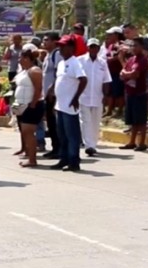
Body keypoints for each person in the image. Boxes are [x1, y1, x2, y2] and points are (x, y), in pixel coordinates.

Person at [51, 35, 87, 171]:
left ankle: (74, 161)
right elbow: (59, 80)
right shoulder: (61, 63)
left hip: (70, 105)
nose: (60, 49)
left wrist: (76, 97)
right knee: (62, 134)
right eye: (59, 46)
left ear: (71, 48)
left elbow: (83, 80)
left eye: (63, 46)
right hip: (60, 105)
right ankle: (63, 159)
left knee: (72, 135)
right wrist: (51, 90)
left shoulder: (75, 62)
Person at [78, 38, 111, 156]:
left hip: (98, 96)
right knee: (85, 121)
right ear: (87, 47)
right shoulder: (80, 60)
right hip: (83, 96)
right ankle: (89, 145)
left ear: (98, 49)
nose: (93, 49)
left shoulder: (102, 62)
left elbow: (106, 80)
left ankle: (93, 144)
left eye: (95, 47)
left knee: (95, 122)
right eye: (91, 47)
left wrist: (106, 95)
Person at [13, 46, 45, 167]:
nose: (19, 60)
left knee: (28, 132)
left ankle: (32, 159)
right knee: (23, 131)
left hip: (31, 105)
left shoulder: (34, 70)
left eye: (21, 57)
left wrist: (33, 103)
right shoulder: (24, 71)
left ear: (27, 58)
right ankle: (26, 152)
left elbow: (38, 89)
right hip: (20, 104)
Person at [119, 38, 148, 151]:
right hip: (130, 92)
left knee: (141, 120)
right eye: (132, 46)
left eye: (136, 45)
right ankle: (132, 142)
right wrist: (126, 74)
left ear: (142, 47)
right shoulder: (131, 59)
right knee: (132, 120)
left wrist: (126, 74)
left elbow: (135, 74)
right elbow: (123, 73)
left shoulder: (143, 60)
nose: (134, 48)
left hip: (140, 93)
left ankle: (141, 143)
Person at [41, 32, 63, 159]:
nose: (44, 42)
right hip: (47, 94)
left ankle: (59, 148)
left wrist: (51, 89)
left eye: (46, 40)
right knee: (50, 122)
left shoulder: (57, 54)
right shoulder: (48, 55)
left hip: (53, 95)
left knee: (54, 122)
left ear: (55, 41)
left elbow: (58, 74)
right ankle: (55, 147)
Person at [103, 27, 125, 118]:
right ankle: (109, 110)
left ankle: (120, 110)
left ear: (116, 35)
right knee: (110, 92)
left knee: (119, 92)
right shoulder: (111, 46)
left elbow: (120, 57)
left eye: (110, 34)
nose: (108, 36)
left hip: (118, 72)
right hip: (110, 72)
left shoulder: (121, 45)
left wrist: (110, 59)